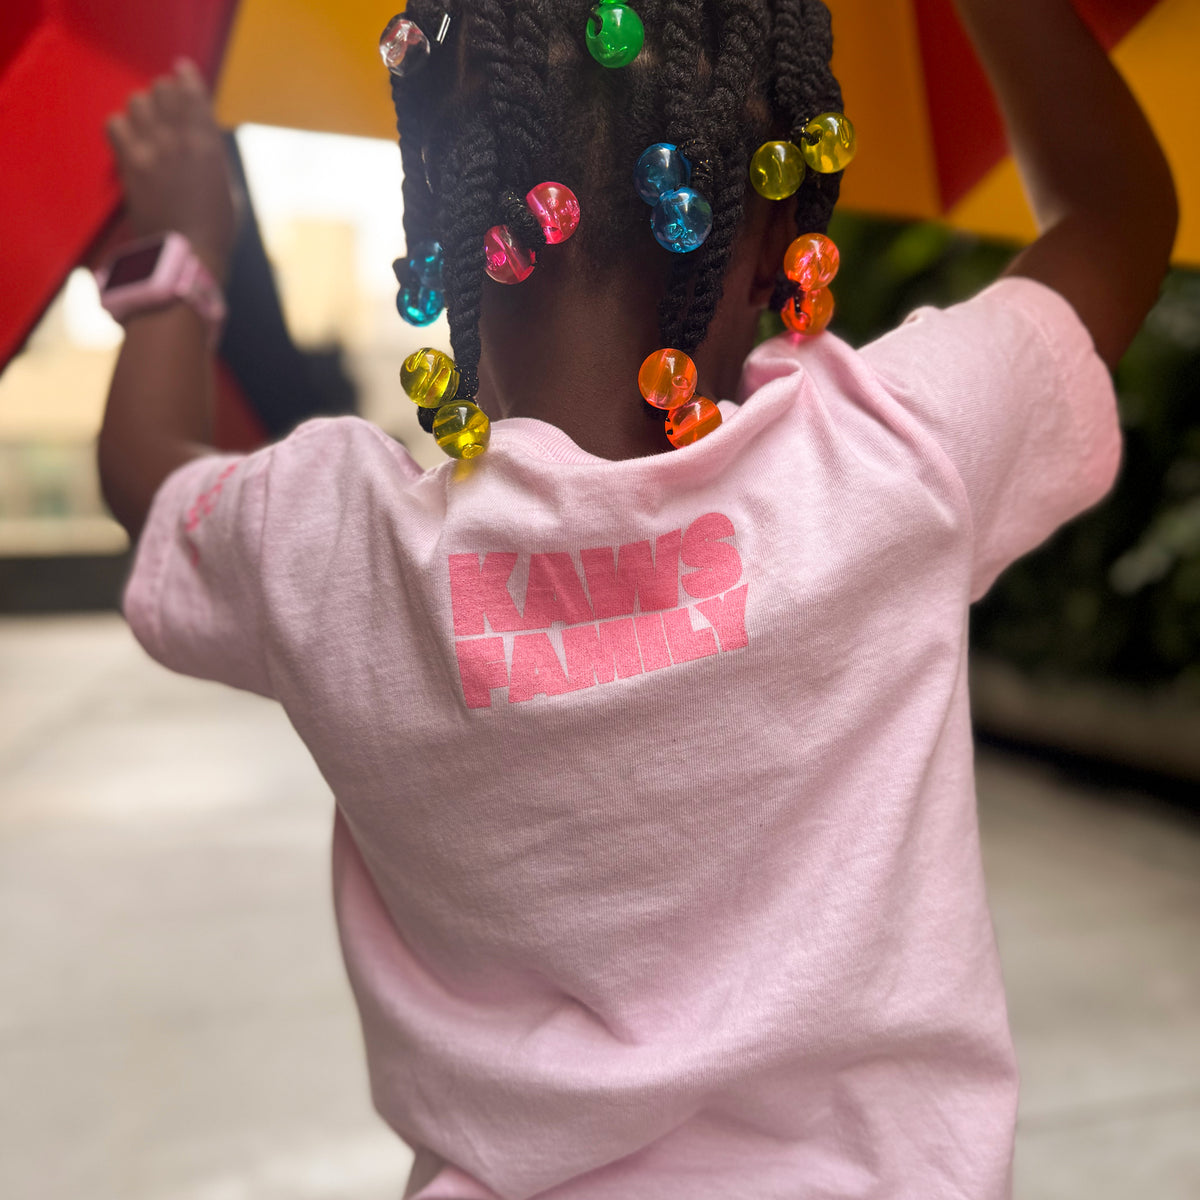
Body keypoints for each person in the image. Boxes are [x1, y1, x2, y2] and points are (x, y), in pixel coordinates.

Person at [98, 1, 1176, 1197]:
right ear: (778, 238)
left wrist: (175, 253)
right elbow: (1117, 216)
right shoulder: (894, 456)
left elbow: (148, 475)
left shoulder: (326, 546)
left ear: (440, 228)